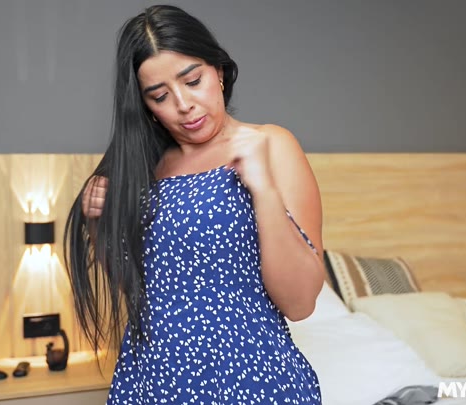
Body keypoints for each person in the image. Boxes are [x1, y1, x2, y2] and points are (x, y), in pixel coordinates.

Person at [64, 5, 325, 404]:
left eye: (193, 80)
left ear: (218, 71)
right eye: (160, 95)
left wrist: (264, 190)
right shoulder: (143, 171)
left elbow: (300, 302)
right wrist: (99, 224)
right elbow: (138, 290)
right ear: (146, 106)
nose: (183, 103)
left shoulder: (270, 144)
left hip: (253, 383)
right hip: (152, 384)